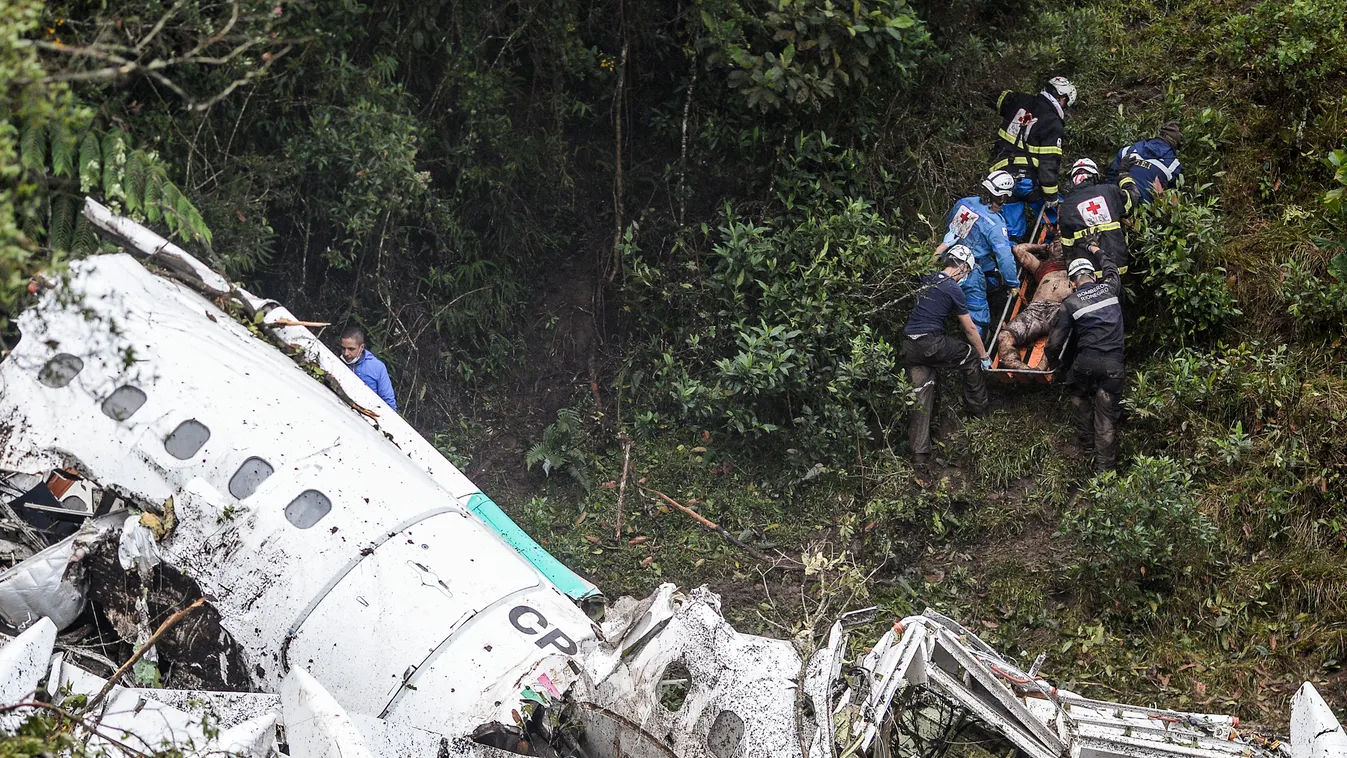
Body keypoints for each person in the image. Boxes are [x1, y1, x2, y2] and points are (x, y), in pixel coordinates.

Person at [903, 245, 991, 471]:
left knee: (922, 393)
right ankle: (980, 413)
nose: (966, 276)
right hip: (930, 342)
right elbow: (970, 328)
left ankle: (920, 458)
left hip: (909, 346)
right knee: (969, 357)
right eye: (967, 271)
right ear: (962, 267)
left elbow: (927, 260)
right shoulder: (953, 288)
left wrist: (942, 244)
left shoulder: (927, 276)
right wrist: (984, 355)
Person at [1045, 250, 1124, 473]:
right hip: (1114, 366)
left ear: (1072, 283)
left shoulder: (1070, 303)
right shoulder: (1110, 288)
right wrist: (1097, 250)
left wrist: (1057, 366)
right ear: (1094, 276)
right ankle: (1105, 471)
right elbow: (1112, 269)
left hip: (1086, 363)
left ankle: (1087, 444)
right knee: (1106, 417)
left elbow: (1054, 344)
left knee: (1078, 393)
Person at [934, 170, 1022, 339]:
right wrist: (1012, 283)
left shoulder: (964, 203)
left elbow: (951, 227)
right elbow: (1004, 258)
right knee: (977, 315)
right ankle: (978, 350)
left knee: (993, 277)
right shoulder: (995, 224)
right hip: (969, 269)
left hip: (949, 258)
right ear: (1003, 197)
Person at [988, 76, 1077, 241]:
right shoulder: (1053, 122)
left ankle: (1011, 260)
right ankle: (1055, 255)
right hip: (1027, 181)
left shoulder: (1019, 99)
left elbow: (993, 97)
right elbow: (1049, 162)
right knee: (1061, 218)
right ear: (1061, 98)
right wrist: (1051, 196)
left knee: (1011, 232)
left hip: (999, 176)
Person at [1058, 158, 1140, 272]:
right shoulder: (1109, 191)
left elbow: (1067, 247)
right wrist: (1123, 173)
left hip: (1089, 272)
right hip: (1117, 265)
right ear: (1095, 176)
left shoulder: (1066, 205)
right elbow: (1133, 197)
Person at [995, 240, 1067, 370]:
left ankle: (1041, 368)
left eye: (1062, 244)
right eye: (1054, 244)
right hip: (1035, 310)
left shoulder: (1076, 266)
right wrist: (1041, 247)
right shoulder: (1042, 266)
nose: (1058, 246)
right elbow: (1018, 249)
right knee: (1004, 336)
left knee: (1059, 337)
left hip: (1060, 309)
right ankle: (1023, 369)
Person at [1108, 122, 1182, 203]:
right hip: (1144, 211)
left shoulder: (1127, 150)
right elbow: (1173, 197)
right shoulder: (1174, 165)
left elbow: (1111, 177)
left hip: (1114, 202)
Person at [339, 326, 397, 410]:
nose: (346, 353)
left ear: (361, 347)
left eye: (351, 349)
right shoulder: (336, 362)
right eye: (343, 348)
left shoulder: (377, 367)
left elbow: (388, 401)